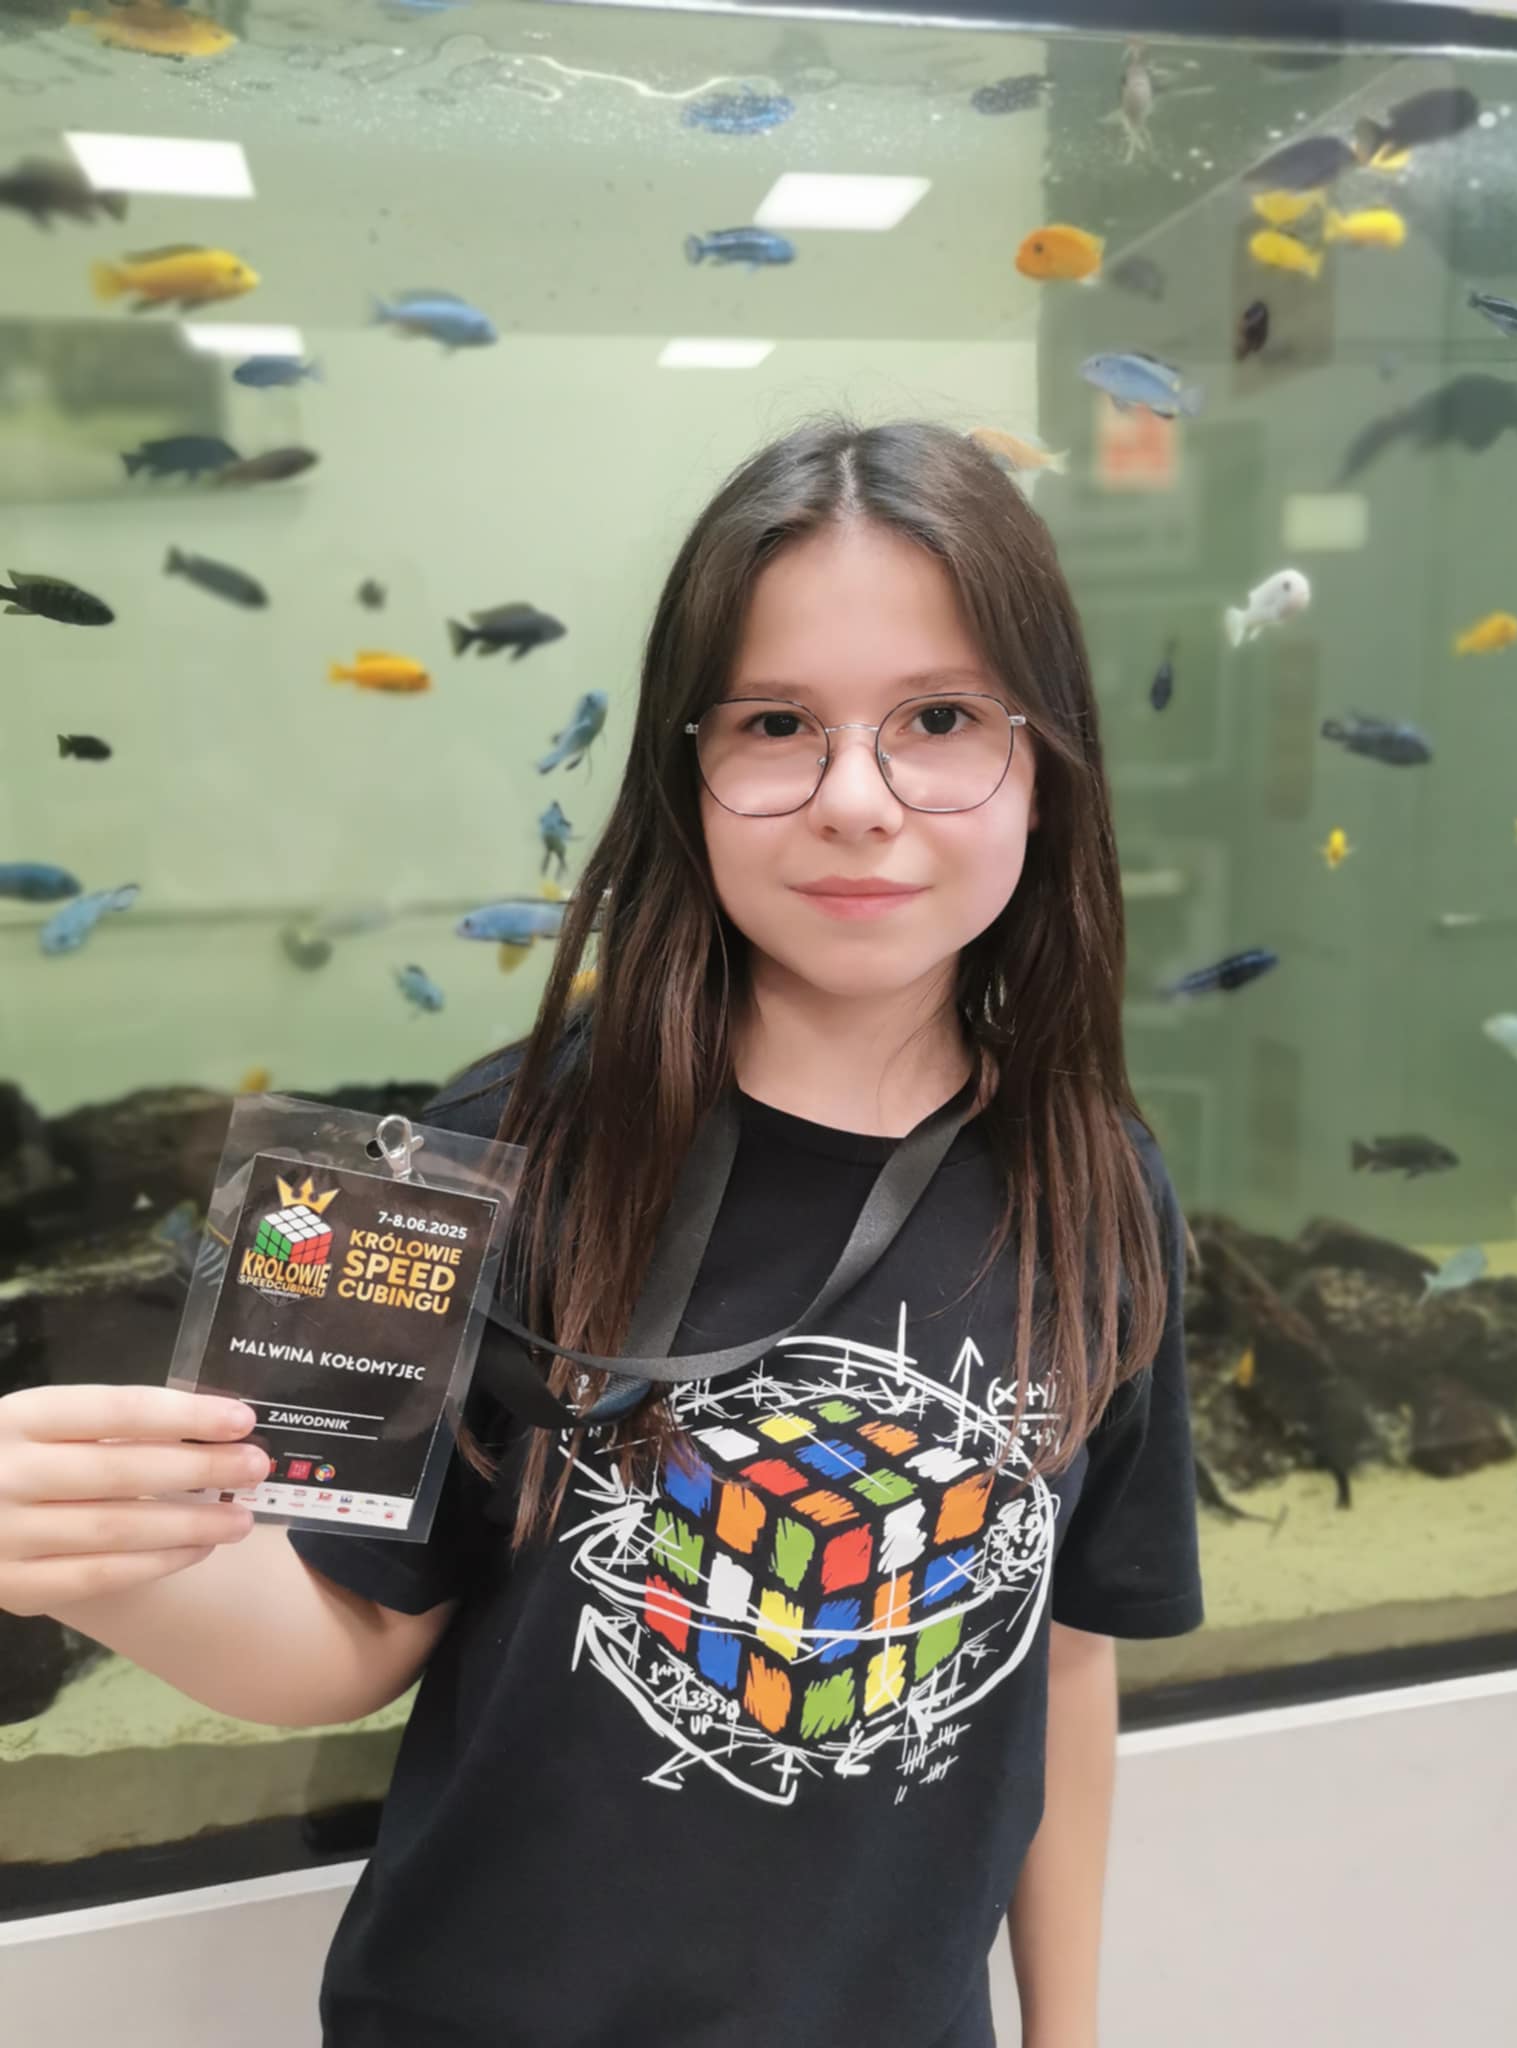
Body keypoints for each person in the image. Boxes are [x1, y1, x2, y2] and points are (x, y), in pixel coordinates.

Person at [0, 417, 1203, 2048]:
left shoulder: (1102, 1189)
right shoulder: (468, 1156)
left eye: (940, 719)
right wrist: (100, 1567)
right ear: (683, 769)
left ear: (1047, 761)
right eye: (776, 723)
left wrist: (1068, 2031)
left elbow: (1057, 1659)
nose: (859, 800)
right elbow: (346, 1637)